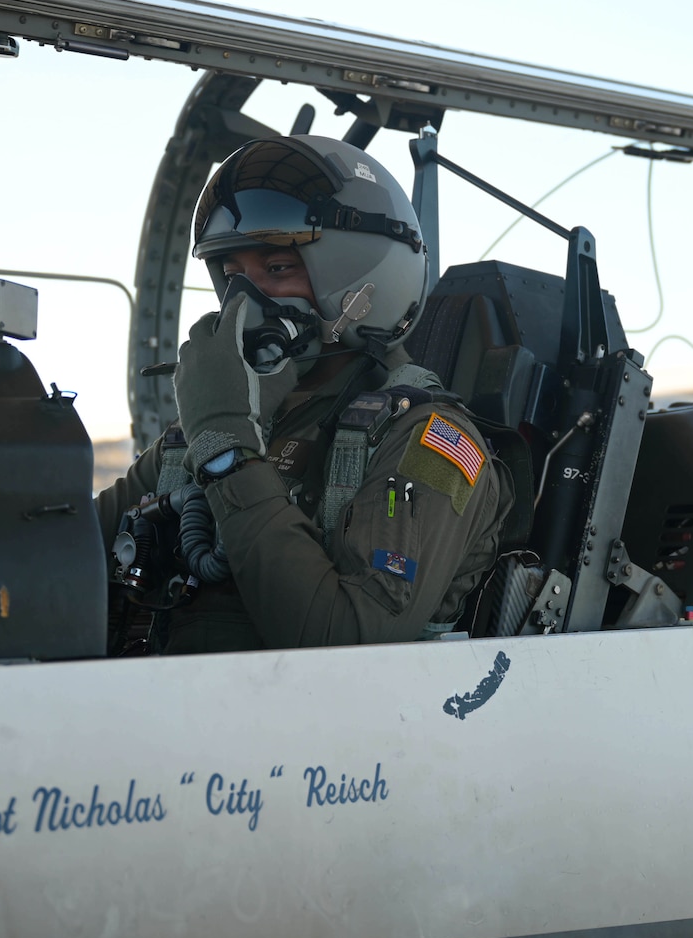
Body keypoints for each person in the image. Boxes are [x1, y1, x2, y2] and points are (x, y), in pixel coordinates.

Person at [97, 135, 510, 653]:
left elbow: (343, 637)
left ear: (363, 282)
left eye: (276, 270)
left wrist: (229, 451)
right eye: (232, 277)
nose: (244, 302)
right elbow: (68, 548)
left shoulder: (431, 441)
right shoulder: (208, 429)